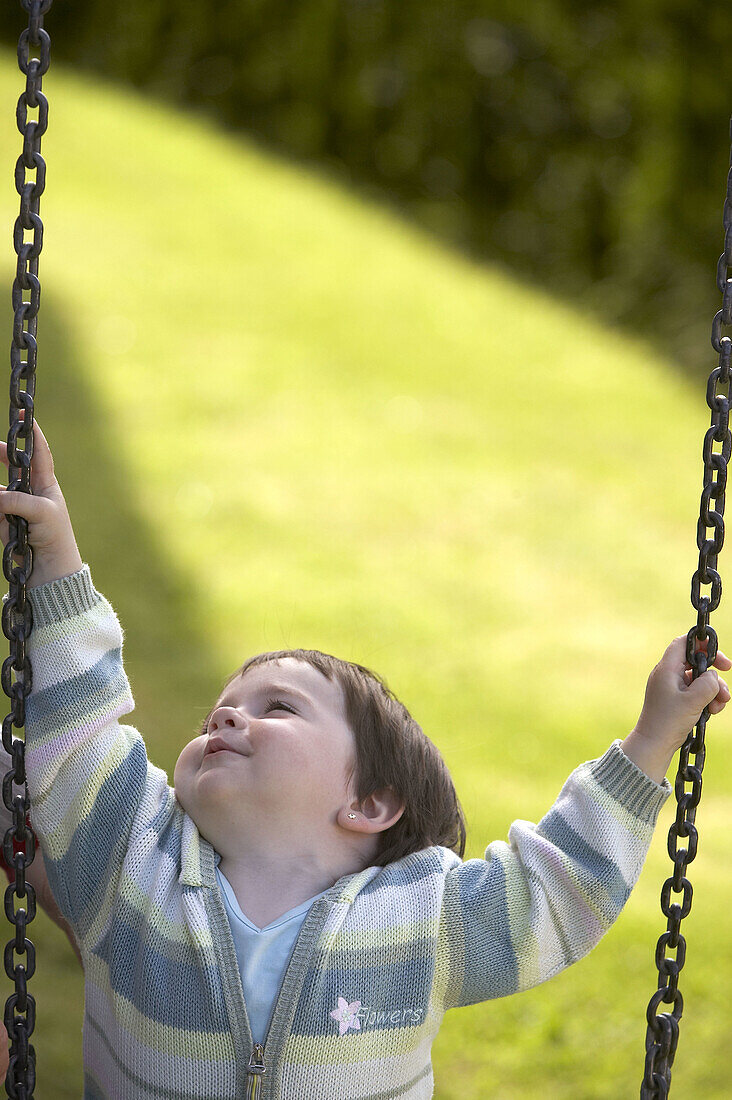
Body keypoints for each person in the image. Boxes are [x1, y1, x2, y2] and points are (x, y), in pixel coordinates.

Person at [0, 418, 728, 1100]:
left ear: (369, 803)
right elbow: (80, 734)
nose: (226, 714)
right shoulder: (130, 859)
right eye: (218, 711)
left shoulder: (423, 923)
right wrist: (55, 555)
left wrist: (653, 740)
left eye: (276, 708)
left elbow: (557, 889)